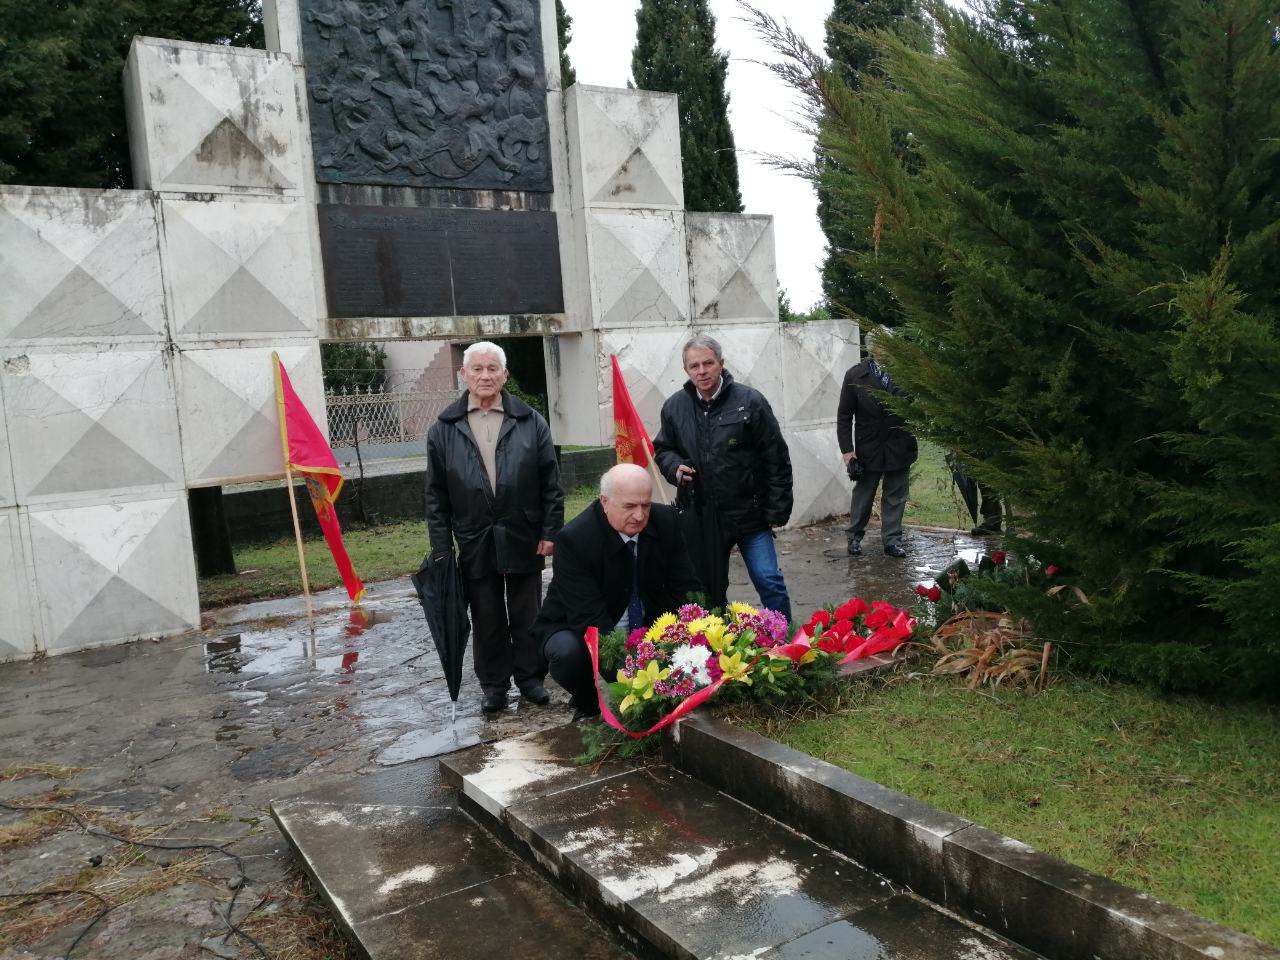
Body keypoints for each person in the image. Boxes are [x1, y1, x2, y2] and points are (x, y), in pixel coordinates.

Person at [425, 341, 564, 714]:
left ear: (505, 375)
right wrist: (442, 548)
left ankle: (531, 678)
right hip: (474, 537)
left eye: (492, 369)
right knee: (485, 614)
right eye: (477, 369)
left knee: (527, 611)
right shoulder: (444, 428)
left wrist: (551, 532)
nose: (485, 376)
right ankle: (494, 685)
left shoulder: (530, 421)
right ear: (464, 374)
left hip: (523, 533)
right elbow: (436, 496)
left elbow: (551, 481)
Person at [533, 463, 702, 721]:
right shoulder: (575, 539)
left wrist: (696, 644)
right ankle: (588, 704)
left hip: (648, 623)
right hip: (580, 626)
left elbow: (687, 588)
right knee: (567, 653)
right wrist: (633, 687)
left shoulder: (666, 521)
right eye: (629, 506)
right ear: (605, 502)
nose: (639, 515)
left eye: (645, 505)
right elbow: (589, 619)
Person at [653, 334, 794, 621]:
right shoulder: (674, 407)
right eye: (694, 366)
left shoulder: (750, 402)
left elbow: (776, 457)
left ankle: (787, 641)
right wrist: (675, 468)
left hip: (749, 515)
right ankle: (721, 651)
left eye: (708, 363)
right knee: (709, 590)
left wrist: (777, 510)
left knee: (769, 580)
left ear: (721, 364)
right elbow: (664, 449)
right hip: (702, 516)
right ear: (686, 370)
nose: (701, 371)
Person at [836, 333, 918, 558]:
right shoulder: (855, 375)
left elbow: (916, 407)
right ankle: (854, 537)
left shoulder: (906, 373)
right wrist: (848, 452)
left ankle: (892, 541)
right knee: (863, 496)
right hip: (868, 448)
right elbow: (844, 416)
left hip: (899, 445)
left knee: (896, 496)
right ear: (872, 348)